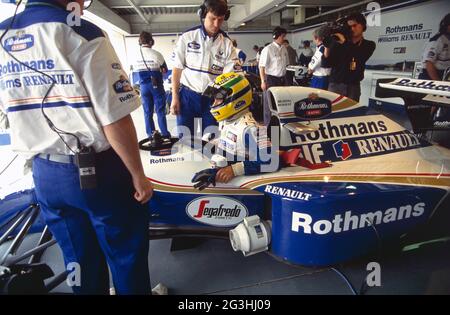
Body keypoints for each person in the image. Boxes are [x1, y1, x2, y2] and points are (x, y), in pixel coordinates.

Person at [0, 0, 153, 294]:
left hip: (45, 173)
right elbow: (115, 118)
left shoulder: (3, 36)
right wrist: (137, 174)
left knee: (78, 261)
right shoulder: (84, 33)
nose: (83, 3)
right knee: (125, 255)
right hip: (99, 173)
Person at [191, 72, 277, 189]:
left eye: (218, 99)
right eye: (214, 99)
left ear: (236, 99)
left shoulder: (251, 129)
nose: (214, 103)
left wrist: (233, 170)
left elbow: (271, 161)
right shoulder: (228, 121)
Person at [170, 0, 238, 138]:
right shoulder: (188, 37)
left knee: (211, 141)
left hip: (212, 99)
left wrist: (220, 97)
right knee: (186, 140)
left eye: (220, 20)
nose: (216, 24)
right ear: (203, 14)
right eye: (212, 18)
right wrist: (174, 97)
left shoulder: (227, 43)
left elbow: (230, 76)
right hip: (187, 97)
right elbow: (177, 69)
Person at [322, 13, 376, 102]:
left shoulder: (369, 45)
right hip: (336, 85)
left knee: (352, 114)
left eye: (354, 25)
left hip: (353, 86)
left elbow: (358, 57)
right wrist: (327, 47)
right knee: (334, 114)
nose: (352, 29)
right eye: (349, 27)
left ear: (363, 26)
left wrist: (344, 42)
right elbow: (326, 64)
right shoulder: (338, 43)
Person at [134, 31, 171, 142]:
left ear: (140, 42)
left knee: (147, 112)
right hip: (156, 86)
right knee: (160, 111)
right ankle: (164, 134)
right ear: (151, 41)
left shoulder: (136, 54)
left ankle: (151, 135)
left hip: (143, 87)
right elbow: (164, 70)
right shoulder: (156, 54)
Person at [259, 27, 289, 126]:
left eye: (284, 36)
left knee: (280, 104)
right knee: (269, 106)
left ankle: (279, 126)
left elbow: (286, 64)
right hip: (271, 79)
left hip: (282, 79)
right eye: (282, 36)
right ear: (276, 36)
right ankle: (268, 128)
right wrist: (263, 81)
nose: (284, 38)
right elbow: (261, 67)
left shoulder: (284, 48)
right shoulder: (268, 49)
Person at [419, 13, 450, 80]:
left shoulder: (448, 39)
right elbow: (429, 64)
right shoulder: (438, 40)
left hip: (444, 74)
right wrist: (438, 82)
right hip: (430, 75)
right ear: (448, 26)